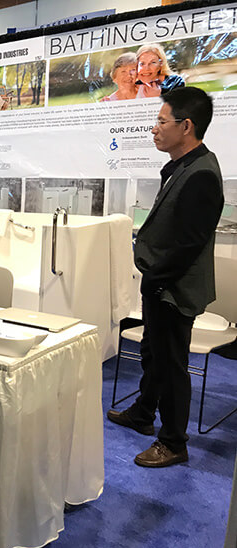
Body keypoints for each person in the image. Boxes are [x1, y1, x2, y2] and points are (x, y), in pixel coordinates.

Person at [107, 87, 224, 468]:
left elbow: (190, 244)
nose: (154, 129)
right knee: (153, 355)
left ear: (186, 126)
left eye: (161, 121)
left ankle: (173, 441)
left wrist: (156, 280)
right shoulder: (181, 166)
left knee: (173, 364)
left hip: (174, 289)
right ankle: (143, 413)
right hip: (161, 284)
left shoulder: (201, 174)